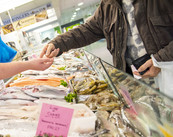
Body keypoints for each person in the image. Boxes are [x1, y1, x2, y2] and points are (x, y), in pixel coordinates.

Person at [40, 0, 173, 89]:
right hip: (137, 82)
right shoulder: (108, 6)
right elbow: (87, 30)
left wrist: (160, 60)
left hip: (168, 72)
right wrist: (58, 43)